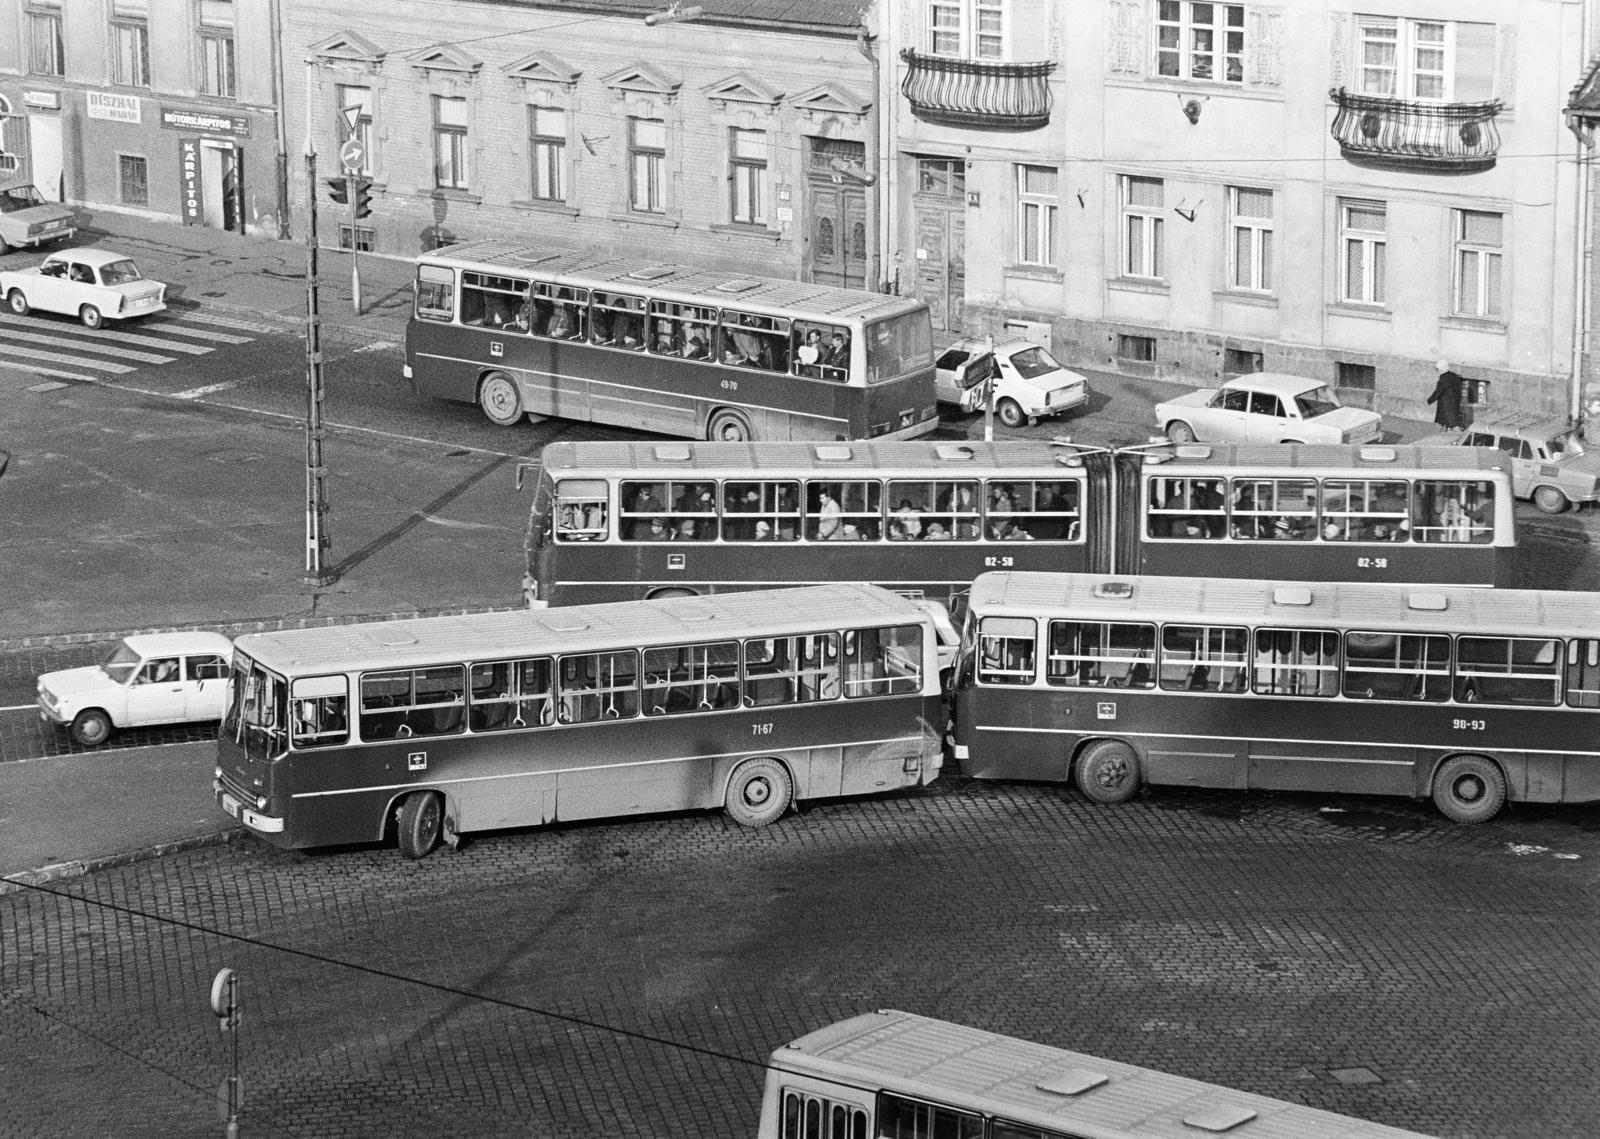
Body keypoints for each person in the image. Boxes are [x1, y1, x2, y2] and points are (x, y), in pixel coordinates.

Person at [1427, 360, 1468, 430]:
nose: (1438, 371)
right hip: (1454, 405)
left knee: (1453, 425)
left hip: (1445, 407)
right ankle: (1436, 438)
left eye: (1438, 369)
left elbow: (1438, 392)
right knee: (1441, 423)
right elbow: (1459, 391)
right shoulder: (1454, 376)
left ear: (1441, 369)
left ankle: (1462, 439)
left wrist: (1429, 401)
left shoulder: (1443, 379)